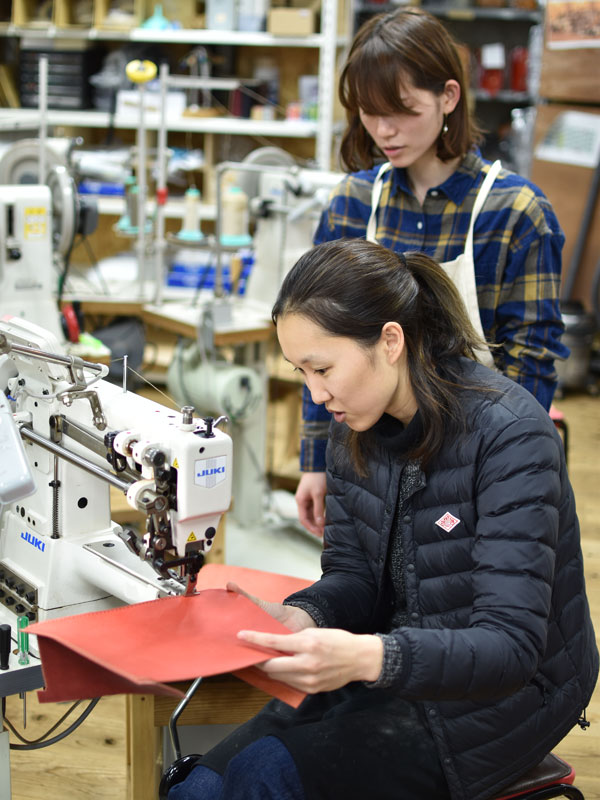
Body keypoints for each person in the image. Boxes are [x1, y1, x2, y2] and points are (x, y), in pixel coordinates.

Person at [168, 238, 597, 800]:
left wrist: (371, 656)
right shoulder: (353, 430)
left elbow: (511, 647)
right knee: (195, 788)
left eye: (322, 368)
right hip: (395, 663)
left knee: (262, 779)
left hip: (512, 693)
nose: (315, 394)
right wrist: (305, 614)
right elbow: (356, 576)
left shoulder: (510, 436)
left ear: (390, 341)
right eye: (301, 372)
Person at [296, 6, 568, 537]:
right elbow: (318, 347)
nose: (384, 131)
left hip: (478, 461)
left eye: (402, 111)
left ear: (448, 96)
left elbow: (530, 359)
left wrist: (502, 474)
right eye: (369, 114)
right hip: (371, 461)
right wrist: (315, 459)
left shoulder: (513, 213)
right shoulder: (353, 205)